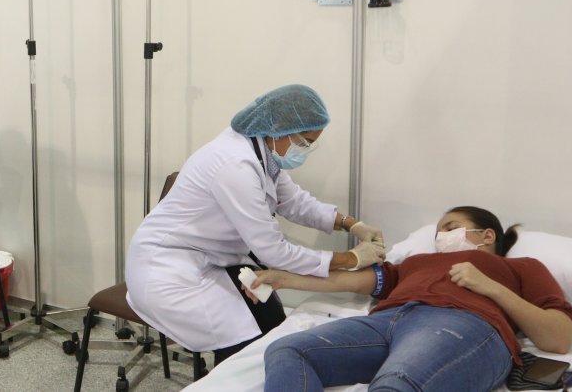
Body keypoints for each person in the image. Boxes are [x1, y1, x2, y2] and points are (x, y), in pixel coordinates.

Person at [125, 84, 387, 366]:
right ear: (279, 129)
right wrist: (351, 258)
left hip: (207, 258)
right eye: (305, 142)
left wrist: (351, 224)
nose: (307, 150)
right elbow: (274, 252)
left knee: (270, 318)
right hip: (166, 270)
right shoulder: (235, 165)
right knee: (242, 342)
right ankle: (227, 381)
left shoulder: (262, 153)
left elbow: (295, 202)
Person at [253, 206, 572, 392]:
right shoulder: (416, 263)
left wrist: (490, 287)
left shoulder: (521, 267)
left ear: (487, 235)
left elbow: (559, 337)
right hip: (385, 321)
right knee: (288, 350)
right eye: (438, 232)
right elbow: (348, 281)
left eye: (450, 227)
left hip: (459, 324)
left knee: (395, 385)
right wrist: (285, 279)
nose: (441, 236)